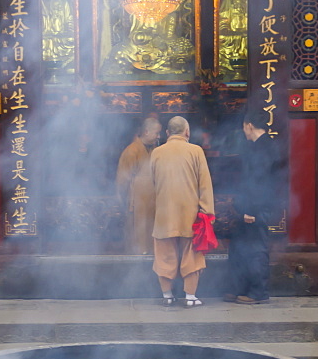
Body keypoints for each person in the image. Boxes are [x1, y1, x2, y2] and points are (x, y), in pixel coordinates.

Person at [150, 115, 214, 308]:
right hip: (190, 214)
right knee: (192, 254)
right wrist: (207, 211)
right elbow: (205, 184)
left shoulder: (156, 153)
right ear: (187, 132)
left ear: (167, 133)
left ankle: (167, 295)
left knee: (164, 254)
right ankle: (190, 296)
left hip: (164, 213)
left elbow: (153, 183)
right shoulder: (196, 151)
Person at [224, 109, 279, 305]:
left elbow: (261, 182)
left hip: (258, 207)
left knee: (256, 250)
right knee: (239, 248)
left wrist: (252, 210)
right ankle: (238, 288)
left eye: (244, 127)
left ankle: (258, 292)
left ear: (249, 125)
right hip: (250, 205)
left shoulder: (265, 148)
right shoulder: (259, 146)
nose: (243, 131)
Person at [116, 117, 162, 254]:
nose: (159, 136)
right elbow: (122, 180)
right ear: (146, 132)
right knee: (137, 236)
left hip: (153, 203)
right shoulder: (131, 151)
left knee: (151, 236)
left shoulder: (156, 150)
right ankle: (134, 268)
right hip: (137, 203)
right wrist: (124, 200)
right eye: (157, 133)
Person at [41, 0, 75, 81]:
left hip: (62, 35)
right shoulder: (44, 2)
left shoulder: (65, 2)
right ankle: (50, 71)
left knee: (71, 40)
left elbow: (69, 18)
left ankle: (65, 67)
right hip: (49, 34)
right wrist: (47, 28)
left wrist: (69, 31)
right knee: (42, 42)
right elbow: (42, 19)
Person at [218, 0, 248, 80]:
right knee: (221, 39)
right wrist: (225, 29)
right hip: (232, 33)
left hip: (246, 32)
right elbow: (223, 19)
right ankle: (229, 70)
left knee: (249, 39)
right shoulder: (228, 0)